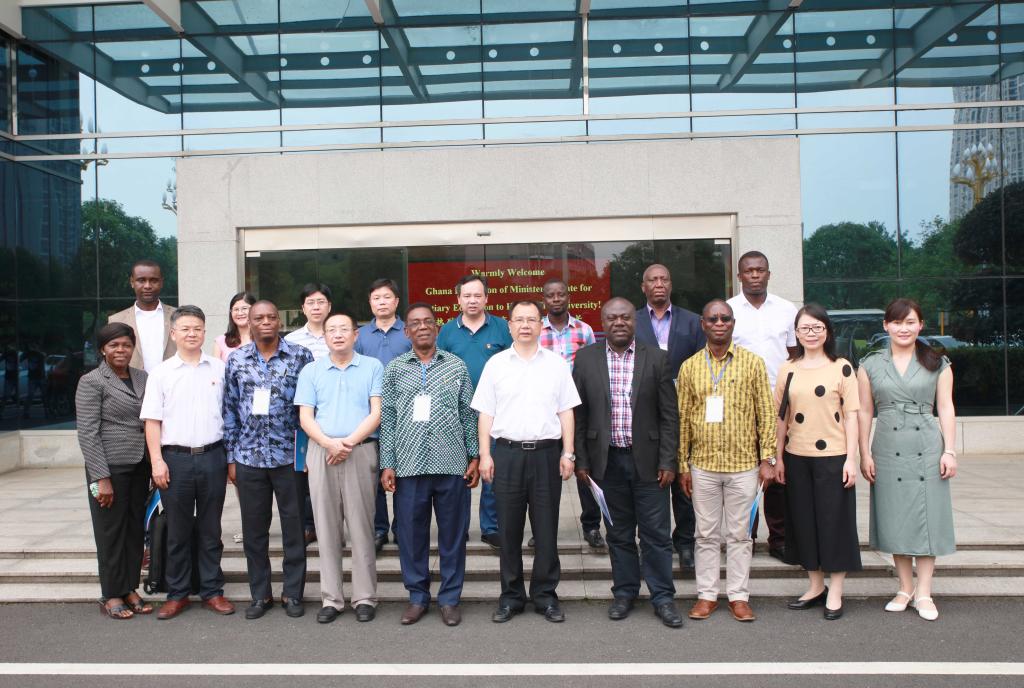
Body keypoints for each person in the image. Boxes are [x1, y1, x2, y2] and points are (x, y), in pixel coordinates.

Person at [572, 298, 682, 628]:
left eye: (625, 317)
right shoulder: (586, 358)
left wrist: (669, 461)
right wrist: (582, 460)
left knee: (656, 535)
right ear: (602, 323)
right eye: (611, 318)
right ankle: (624, 592)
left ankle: (663, 598)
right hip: (607, 463)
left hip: (649, 463)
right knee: (618, 534)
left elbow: (669, 416)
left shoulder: (657, 358)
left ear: (634, 321)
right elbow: (579, 415)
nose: (619, 322)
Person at [473, 300, 581, 624]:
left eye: (531, 319)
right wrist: (485, 455)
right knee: (508, 531)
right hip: (507, 454)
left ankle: (545, 596)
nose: (524, 325)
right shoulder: (496, 365)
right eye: (518, 320)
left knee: (546, 530)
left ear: (540, 325)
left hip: (547, 455)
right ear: (509, 326)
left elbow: (566, 411)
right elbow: (485, 414)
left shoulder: (556, 365)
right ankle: (511, 597)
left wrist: (568, 452)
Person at [379, 303, 479, 627]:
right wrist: (387, 463)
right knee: (411, 538)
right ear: (406, 332)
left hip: (452, 463)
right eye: (415, 323)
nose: (422, 327)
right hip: (409, 466)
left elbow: (468, 414)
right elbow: (388, 419)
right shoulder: (395, 369)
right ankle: (417, 597)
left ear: (437, 328)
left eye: (428, 322)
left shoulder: (456, 366)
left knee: (453, 537)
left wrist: (475, 456)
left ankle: (449, 599)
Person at [676, 299, 775, 623]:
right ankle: (706, 595)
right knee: (705, 534)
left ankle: (738, 596)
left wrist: (768, 459)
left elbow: (766, 413)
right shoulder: (689, 367)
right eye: (713, 319)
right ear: (703, 324)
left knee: (740, 535)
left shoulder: (753, 363)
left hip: (743, 465)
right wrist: (682, 465)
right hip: (703, 465)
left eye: (725, 319)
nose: (719, 323)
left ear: (733, 324)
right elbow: (682, 419)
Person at [858, 298, 957, 622]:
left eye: (910, 322)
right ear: (886, 326)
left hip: (926, 445)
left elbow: (946, 407)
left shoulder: (937, 362)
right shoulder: (870, 364)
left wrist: (949, 450)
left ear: (921, 325)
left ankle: (924, 592)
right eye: (897, 322)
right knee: (896, 518)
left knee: (927, 520)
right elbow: (865, 412)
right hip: (887, 445)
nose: (904, 328)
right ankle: (904, 588)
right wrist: (864, 452)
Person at [140, 305, 234, 620]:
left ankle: (212, 590)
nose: (192, 334)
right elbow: (152, 421)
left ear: (205, 332)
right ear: (173, 333)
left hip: (213, 457)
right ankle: (177, 593)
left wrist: (230, 459)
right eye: (185, 329)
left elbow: (230, 415)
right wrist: (157, 461)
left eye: (197, 328)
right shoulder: (161, 373)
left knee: (211, 529)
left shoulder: (220, 369)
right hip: (175, 460)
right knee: (177, 530)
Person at [222, 301, 312, 620]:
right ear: (249, 322)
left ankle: (293, 592)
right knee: (254, 531)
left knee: (294, 528)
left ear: (279, 321)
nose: (265, 322)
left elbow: (309, 407)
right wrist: (231, 457)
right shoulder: (236, 359)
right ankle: (260, 594)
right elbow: (229, 409)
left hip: (289, 457)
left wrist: (307, 453)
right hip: (249, 457)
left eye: (271, 317)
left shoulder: (301, 356)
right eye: (258, 318)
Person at [774, 304, 861, 620]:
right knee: (804, 523)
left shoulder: (842, 367)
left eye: (817, 327)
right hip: (797, 457)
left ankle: (835, 590)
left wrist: (851, 459)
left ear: (827, 331)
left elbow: (851, 416)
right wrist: (778, 457)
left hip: (833, 457)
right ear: (796, 333)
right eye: (804, 328)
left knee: (834, 524)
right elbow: (781, 417)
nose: (811, 333)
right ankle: (815, 585)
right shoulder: (788, 369)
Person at [295, 311, 384, 624]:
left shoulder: (372, 367)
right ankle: (331, 598)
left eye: (344, 329)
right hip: (322, 452)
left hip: (360, 451)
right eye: (331, 329)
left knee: (361, 527)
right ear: (325, 336)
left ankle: (365, 597)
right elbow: (305, 416)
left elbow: (376, 412)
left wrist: (346, 443)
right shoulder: (311, 370)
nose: (337, 334)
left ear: (355, 335)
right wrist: (328, 443)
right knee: (326, 527)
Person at [76, 323, 152, 620]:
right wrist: (101, 477)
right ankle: (111, 594)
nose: (121, 350)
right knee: (109, 531)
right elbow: (88, 433)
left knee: (134, 530)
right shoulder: (92, 381)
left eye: (126, 345)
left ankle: (129, 587)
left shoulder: (142, 377)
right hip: (109, 469)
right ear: (102, 350)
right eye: (114, 345)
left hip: (140, 466)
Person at [727, 251, 797, 561]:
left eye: (760, 270)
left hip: (780, 402)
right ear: (739, 275)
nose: (754, 275)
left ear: (768, 274)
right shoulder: (728, 310)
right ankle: (747, 536)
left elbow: (794, 354)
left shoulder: (786, 309)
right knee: (745, 473)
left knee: (777, 471)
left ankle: (779, 539)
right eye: (749, 271)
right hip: (741, 404)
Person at [634, 263, 705, 568]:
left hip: (688, 413)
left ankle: (685, 542)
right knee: (651, 481)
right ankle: (652, 540)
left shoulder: (692, 321)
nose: (659, 284)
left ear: (671, 285)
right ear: (644, 287)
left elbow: (703, 365)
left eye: (664, 279)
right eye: (653, 280)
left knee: (685, 479)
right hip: (645, 414)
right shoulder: (632, 321)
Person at [437, 274, 512, 551]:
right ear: (458, 299)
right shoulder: (447, 331)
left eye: (477, 295)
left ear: (486, 298)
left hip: (495, 411)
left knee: (491, 470)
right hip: (456, 413)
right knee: (460, 473)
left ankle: (491, 528)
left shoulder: (502, 327)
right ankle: (459, 527)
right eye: (466, 296)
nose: (472, 300)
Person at [538, 277, 604, 550]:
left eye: (561, 294)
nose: (556, 299)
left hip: (579, 409)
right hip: (545, 410)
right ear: (544, 300)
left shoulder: (584, 330)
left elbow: (594, 367)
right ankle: (543, 530)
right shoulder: (536, 331)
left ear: (568, 297)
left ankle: (591, 526)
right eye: (550, 295)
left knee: (584, 468)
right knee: (545, 474)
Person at [355, 278, 413, 552]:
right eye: (376, 298)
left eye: (387, 297)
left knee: (404, 477)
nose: (381, 302)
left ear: (396, 301)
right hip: (371, 419)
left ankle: (402, 528)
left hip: (405, 417)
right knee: (373, 478)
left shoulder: (409, 332)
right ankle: (379, 529)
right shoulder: (360, 336)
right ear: (370, 303)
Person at [285, 282, 333, 545]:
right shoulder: (291, 340)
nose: (316, 307)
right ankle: (308, 524)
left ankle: (333, 526)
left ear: (329, 306)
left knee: (334, 471)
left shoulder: (339, 334)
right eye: (311, 303)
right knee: (304, 471)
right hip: (302, 415)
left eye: (321, 302)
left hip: (333, 412)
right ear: (303, 308)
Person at [108, 259, 176, 372]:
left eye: (153, 280)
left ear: (161, 282)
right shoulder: (117, 320)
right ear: (132, 282)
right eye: (141, 280)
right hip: (131, 382)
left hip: (172, 381)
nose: (147, 286)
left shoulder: (179, 316)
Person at [214, 291, 255, 362]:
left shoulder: (263, 339)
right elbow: (216, 368)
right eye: (236, 309)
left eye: (244, 308)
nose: (240, 313)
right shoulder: (220, 341)